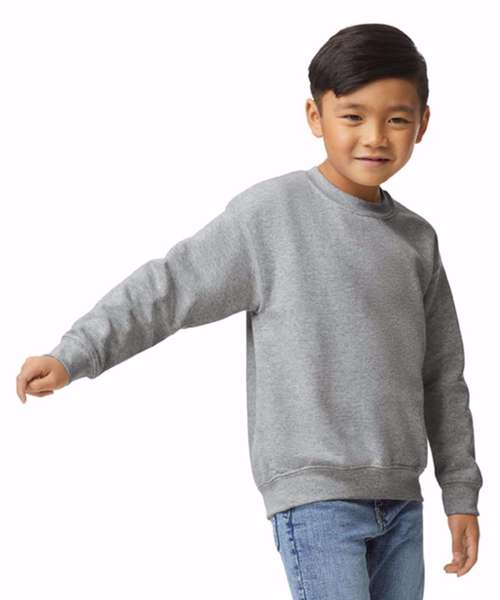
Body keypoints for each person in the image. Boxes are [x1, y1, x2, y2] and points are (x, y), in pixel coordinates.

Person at [16, 22, 482, 600]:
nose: (374, 137)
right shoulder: (272, 216)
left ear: (423, 123)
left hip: (403, 502)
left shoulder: (417, 240)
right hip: (316, 499)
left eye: (397, 119)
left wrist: (460, 494)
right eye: (353, 115)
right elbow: (170, 287)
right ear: (315, 116)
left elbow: (443, 377)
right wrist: (76, 353)